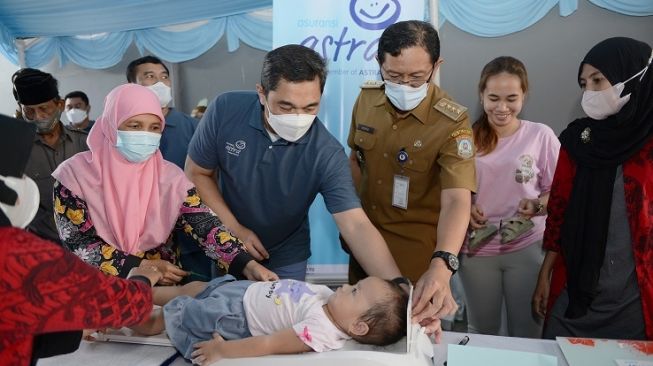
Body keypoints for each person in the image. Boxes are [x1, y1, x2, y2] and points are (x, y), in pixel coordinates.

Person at [185, 44, 403, 284]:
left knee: (284, 315)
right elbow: (197, 173)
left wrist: (398, 286)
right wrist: (234, 229)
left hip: (288, 253)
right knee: (225, 310)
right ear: (261, 93)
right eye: (285, 107)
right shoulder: (226, 110)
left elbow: (355, 224)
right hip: (229, 239)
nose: (298, 117)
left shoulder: (325, 152)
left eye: (310, 107)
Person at [51, 84, 277, 286]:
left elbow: (204, 225)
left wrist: (247, 265)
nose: (145, 135)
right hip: (97, 287)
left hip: (162, 288)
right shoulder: (74, 177)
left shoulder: (169, 178)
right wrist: (143, 267)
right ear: (111, 124)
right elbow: (79, 243)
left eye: (154, 128)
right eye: (135, 125)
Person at [0, 113, 163, 366]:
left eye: (155, 127)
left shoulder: (166, 174)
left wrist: (75, 328)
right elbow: (128, 305)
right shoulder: (22, 255)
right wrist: (142, 278)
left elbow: (11, 327)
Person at [346, 20, 474, 324]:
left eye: (417, 77)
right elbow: (355, 160)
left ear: (436, 66)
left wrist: (442, 265)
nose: (404, 86)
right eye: (393, 75)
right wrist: (352, 221)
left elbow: (457, 200)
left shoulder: (451, 122)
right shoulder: (367, 99)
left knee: (411, 338)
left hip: (417, 258)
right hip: (364, 249)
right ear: (379, 64)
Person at [532, 37, 653, 340]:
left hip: (636, 297)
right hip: (575, 290)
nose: (590, 92)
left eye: (598, 80)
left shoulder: (648, 147)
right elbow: (559, 210)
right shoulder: (578, 140)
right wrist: (546, 271)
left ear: (634, 75)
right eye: (584, 83)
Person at [457, 56, 559, 338]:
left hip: (527, 247)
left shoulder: (541, 135)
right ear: (481, 95)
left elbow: (560, 192)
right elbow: (451, 191)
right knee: (481, 331)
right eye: (493, 98)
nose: (502, 108)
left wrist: (537, 204)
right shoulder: (464, 138)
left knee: (528, 330)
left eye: (511, 98)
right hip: (477, 250)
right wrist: (466, 209)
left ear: (524, 95)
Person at [132, 275, 408, 365]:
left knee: (170, 317)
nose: (347, 286)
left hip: (235, 315)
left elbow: (268, 344)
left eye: (355, 291)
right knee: (191, 289)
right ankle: (130, 292)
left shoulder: (319, 330)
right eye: (354, 284)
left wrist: (222, 351)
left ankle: (127, 315)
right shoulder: (331, 302)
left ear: (358, 326)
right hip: (243, 290)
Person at [126, 55, 209, 281]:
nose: (161, 83)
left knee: (197, 288)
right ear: (132, 86)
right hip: (141, 240)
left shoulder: (192, 127)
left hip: (189, 232)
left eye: (164, 77)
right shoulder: (123, 132)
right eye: (150, 77)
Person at [11, 68, 88, 245]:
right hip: (39, 248)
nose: (38, 116)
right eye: (29, 111)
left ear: (60, 105)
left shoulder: (84, 144)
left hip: (89, 247)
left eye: (44, 109)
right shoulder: (15, 150)